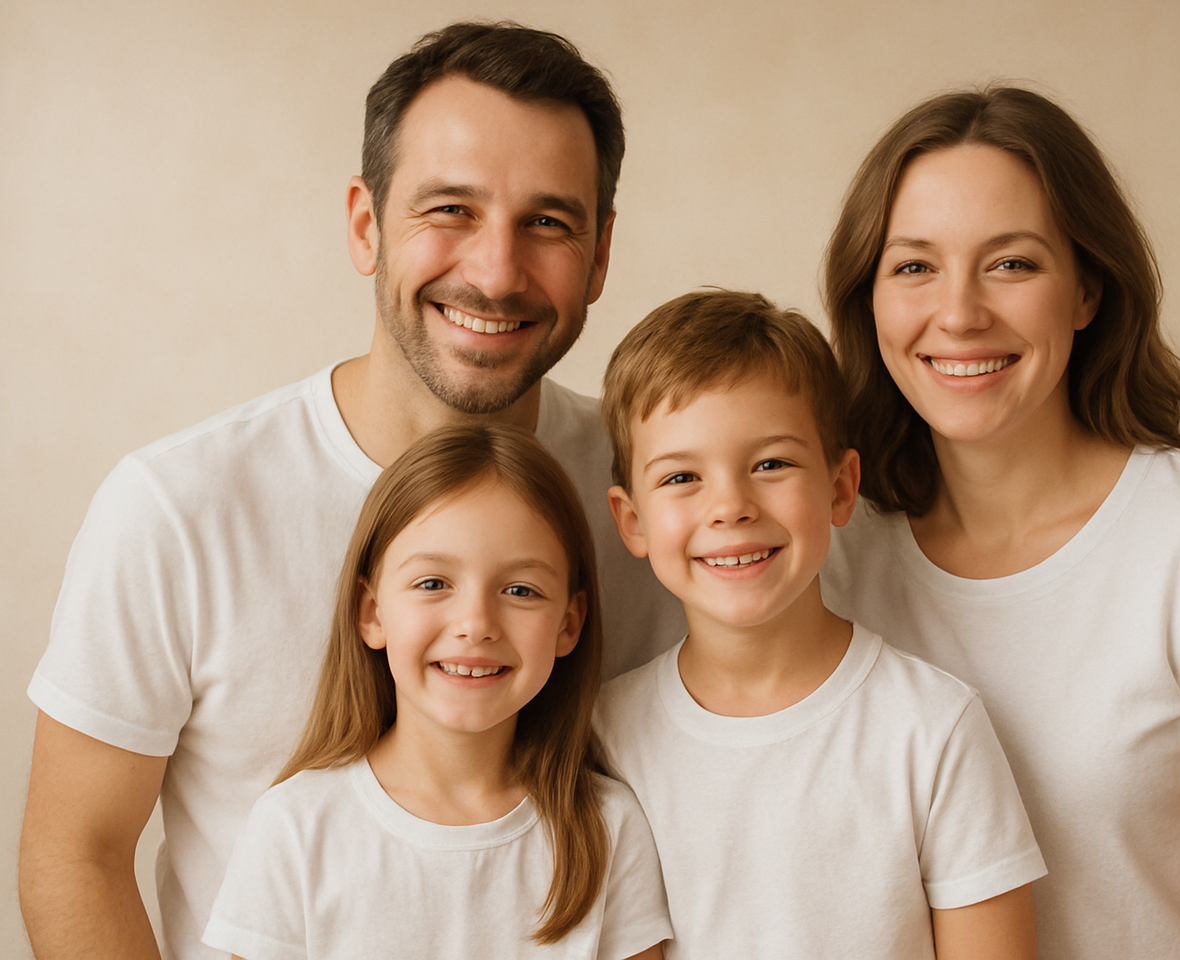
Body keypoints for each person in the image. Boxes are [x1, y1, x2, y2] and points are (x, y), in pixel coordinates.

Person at [20, 22, 683, 960]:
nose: (495, 273)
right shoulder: (177, 507)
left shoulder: (662, 497)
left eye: (548, 223)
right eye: (449, 209)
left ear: (601, 254)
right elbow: (75, 855)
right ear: (367, 225)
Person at [819, 87, 1180, 960]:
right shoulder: (828, 559)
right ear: (868, 299)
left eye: (1011, 264)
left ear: (1087, 290)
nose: (960, 314)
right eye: (914, 267)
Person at [595, 289, 1047, 960]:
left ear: (840, 488)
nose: (730, 506)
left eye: (771, 464)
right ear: (632, 521)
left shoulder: (931, 727)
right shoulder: (604, 736)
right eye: (682, 477)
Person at [203, 424, 670, 960]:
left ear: (568, 624)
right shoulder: (296, 827)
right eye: (433, 584)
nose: (476, 624)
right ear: (372, 613)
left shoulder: (608, 828)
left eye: (520, 590)